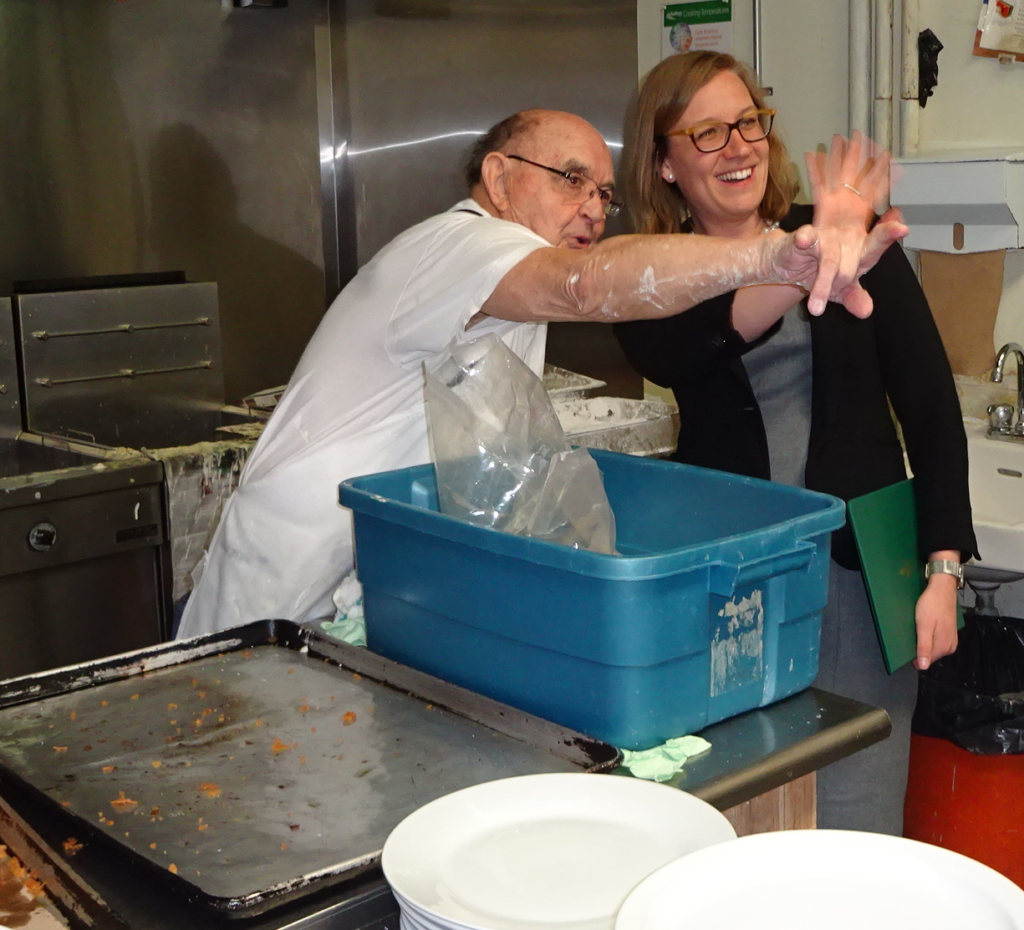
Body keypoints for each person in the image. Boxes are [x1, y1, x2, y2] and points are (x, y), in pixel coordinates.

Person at [177, 107, 904, 645]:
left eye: (603, 192)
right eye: (570, 179)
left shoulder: (511, 283)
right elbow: (589, 286)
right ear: (498, 178)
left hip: (367, 591)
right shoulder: (458, 245)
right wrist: (772, 256)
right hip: (284, 584)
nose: (592, 205)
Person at [613, 52, 977, 835]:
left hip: (856, 578)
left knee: (858, 815)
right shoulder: (650, 275)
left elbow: (931, 409)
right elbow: (691, 343)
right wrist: (813, 252)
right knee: (738, 820)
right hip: (726, 585)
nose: (737, 146)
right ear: (664, 162)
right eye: (706, 133)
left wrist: (945, 569)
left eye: (747, 122)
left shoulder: (853, 236)